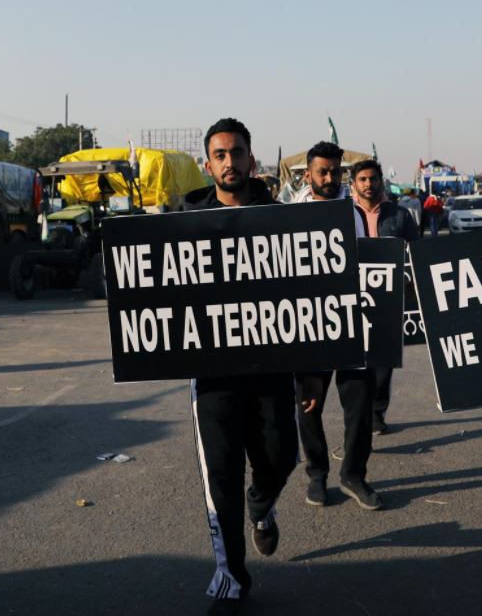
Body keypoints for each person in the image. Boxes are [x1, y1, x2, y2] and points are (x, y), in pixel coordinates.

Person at [184, 118, 298, 616]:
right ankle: (229, 577)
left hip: (273, 368)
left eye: (238, 153)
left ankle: (262, 502)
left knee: (281, 457)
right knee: (220, 478)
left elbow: (308, 297)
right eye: (220, 155)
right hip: (213, 379)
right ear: (207, 164)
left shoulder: (283, 220)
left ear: (252, 159)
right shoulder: (181, 224)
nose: (230, 163)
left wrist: (312, 370)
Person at [292, 141, 383, 510]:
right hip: (306, 325)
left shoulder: (354, 214)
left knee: (360, 405)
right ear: (308, 175)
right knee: (308, 405)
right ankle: (317, 475)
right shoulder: (290, 213)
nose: (329, 179)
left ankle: (353, 474)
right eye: (322, 172)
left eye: (335, 172)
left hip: (350, 322)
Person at [351, 159, 419, 435]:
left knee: (383, 363)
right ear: (353, 184)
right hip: (353, 299)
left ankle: (377, 414)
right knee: (356, 364)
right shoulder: (344, 214)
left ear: (381, 181)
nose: (369, 184)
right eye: (363, 180)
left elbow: (416, 252)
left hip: (389, 299)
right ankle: (357, 415)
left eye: (373, 179)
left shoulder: (400, 216)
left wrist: (415, 287)